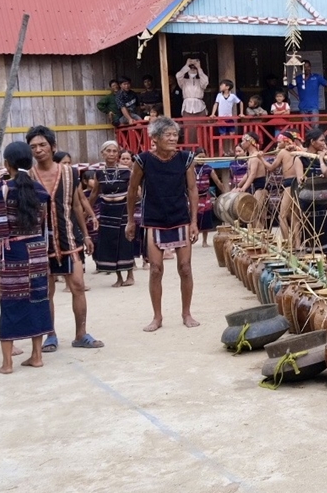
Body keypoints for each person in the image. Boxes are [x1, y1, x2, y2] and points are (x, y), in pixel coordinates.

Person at [26, 127, 103, 351]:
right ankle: (50, 335)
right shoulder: (28, 176)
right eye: (33, 147)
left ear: (53, 147)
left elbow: (76, 205)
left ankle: (81, 334)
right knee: (46, 291)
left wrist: (86, 234)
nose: (38, 150)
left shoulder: (70, 173)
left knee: (78, 285)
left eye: (42, 145)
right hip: (40, 242)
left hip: (69, 238)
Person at [126, 116, 200, 331]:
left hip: (180, 217)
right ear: (155, 138)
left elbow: (192, 189)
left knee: (185, 268)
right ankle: (157, 317)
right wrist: (131, 220)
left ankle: (186, 313)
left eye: (174, 134)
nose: (172, 138)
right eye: (167, 134)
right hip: (154, 218)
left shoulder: (185, 158)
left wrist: (194, 221)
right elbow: (132, 191)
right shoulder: (143, 160)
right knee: (156, 269)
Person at [0, 141, 54, 372]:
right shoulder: (39, 190)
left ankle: (7, 363)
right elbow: (43, 223)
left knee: (10, 303)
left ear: (7, 164)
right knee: (38, 299)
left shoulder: (2, 189)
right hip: (37, 251)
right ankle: (36, 356)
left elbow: (0, 227)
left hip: (12, 252)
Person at [89, 141, 136, 287]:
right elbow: (94, 193)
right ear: (102, 153)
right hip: (107, 210)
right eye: (108, 151)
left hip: (123, 209)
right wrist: (87, 212)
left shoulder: (127, 171)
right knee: (110, 242)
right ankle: (118, 277)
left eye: (114, 151)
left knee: (124, 240)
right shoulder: (99, 173)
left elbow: (136, 191)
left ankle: (130, 275)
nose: (111, 154)